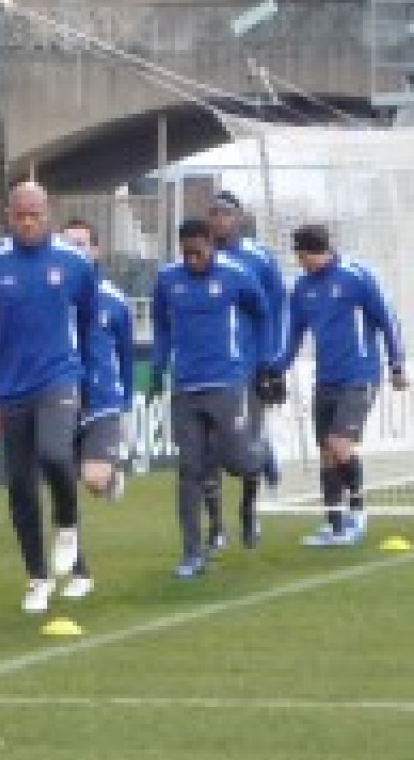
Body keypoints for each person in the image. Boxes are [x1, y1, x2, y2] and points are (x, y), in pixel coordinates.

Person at [0, 182, 97, 614]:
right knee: (20, 486)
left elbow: (93, 326)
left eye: (35, 215)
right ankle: (36, 576)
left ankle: (68, 525)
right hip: (12, 386)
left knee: (56, 454)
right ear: (8, 216)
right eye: (20, 215)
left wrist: (94, 383)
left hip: (59, 377)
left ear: (49, 212)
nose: (28, 223)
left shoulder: (74, 264)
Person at [150, 218, 277, 578]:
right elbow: (160, 322)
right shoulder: (167, 279)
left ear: (211, 246)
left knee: (236, 461)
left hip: (227, 383)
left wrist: (265, 360)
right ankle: (191, 553)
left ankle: (260, 454)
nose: (192, 260)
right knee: (189, 470)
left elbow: (263, 312)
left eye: (199, 253)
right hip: (186, 388)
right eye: (186, 253)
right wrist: (159, 364)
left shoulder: (235, 274)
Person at [276, 223, 407, 545]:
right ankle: (335, 525)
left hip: (359, 375)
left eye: (299, 254)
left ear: (308, 252)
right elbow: (293, 334)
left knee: (340, 445)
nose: (298, 260)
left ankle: (358, 511)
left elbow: (387, 318)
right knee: (327, 454)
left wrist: (396, 362)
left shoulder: (356, 276)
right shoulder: (303, 288)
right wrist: (276, 368)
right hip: (326, 378)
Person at [203, 190, 289, 549]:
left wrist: (273, 360)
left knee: (244, 450)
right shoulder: (200, 258)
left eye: (225, 213)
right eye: (214, 213)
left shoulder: (259, 258)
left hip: (249, 368)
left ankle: (249, 512)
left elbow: (278, 309)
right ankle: (215, 527)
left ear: (239, 218)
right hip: (208, 370)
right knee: (207, 449)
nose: (218, 219)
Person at [59, 218, 134, 598]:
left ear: (95, 250)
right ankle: (79, 571)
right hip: (61, 401)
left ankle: (111, 475)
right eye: (68, 243)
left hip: (102, 402)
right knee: (63, 490)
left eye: (82, 243)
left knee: (93, 480)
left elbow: (124, 354)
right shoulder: (53, 293)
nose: (76, 250)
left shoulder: (114, 300)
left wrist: (125, 403)